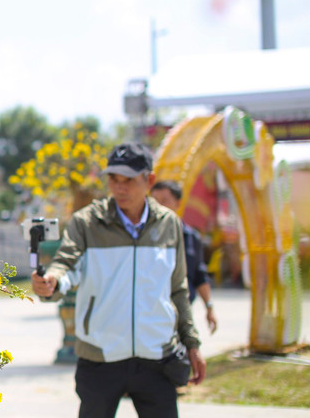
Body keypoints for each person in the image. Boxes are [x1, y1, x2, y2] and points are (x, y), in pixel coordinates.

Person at [32, 142, 205, 418]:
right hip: (100, 358)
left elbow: (178, 289)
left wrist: (192, 344)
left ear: (149, 180)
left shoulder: (169, 224)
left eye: (129, 180)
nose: (119, 188)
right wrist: (52, 281)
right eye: (114, 179)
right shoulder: (86, 222)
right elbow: (66, 264)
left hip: (157, 358)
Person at [151, 180, 218, 333]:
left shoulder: (191, 237)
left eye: (164, 201)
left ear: (178, 203)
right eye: (154, 201)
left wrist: (209, 308)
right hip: (152, 315)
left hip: (181, 313)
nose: (158, 206)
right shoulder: (144, 237)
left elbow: (200, 275)